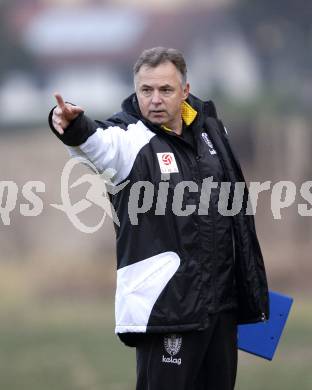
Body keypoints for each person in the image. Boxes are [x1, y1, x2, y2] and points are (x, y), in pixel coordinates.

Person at [49, 47, 269, 390]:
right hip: (167, 308)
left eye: (165, 90)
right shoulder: (127, 140)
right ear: (135, 91)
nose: (154, 99)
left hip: (221, 307)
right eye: (145, 90)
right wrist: (71, 125)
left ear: (184, 90)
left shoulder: (211, 131)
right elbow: (93, 142)